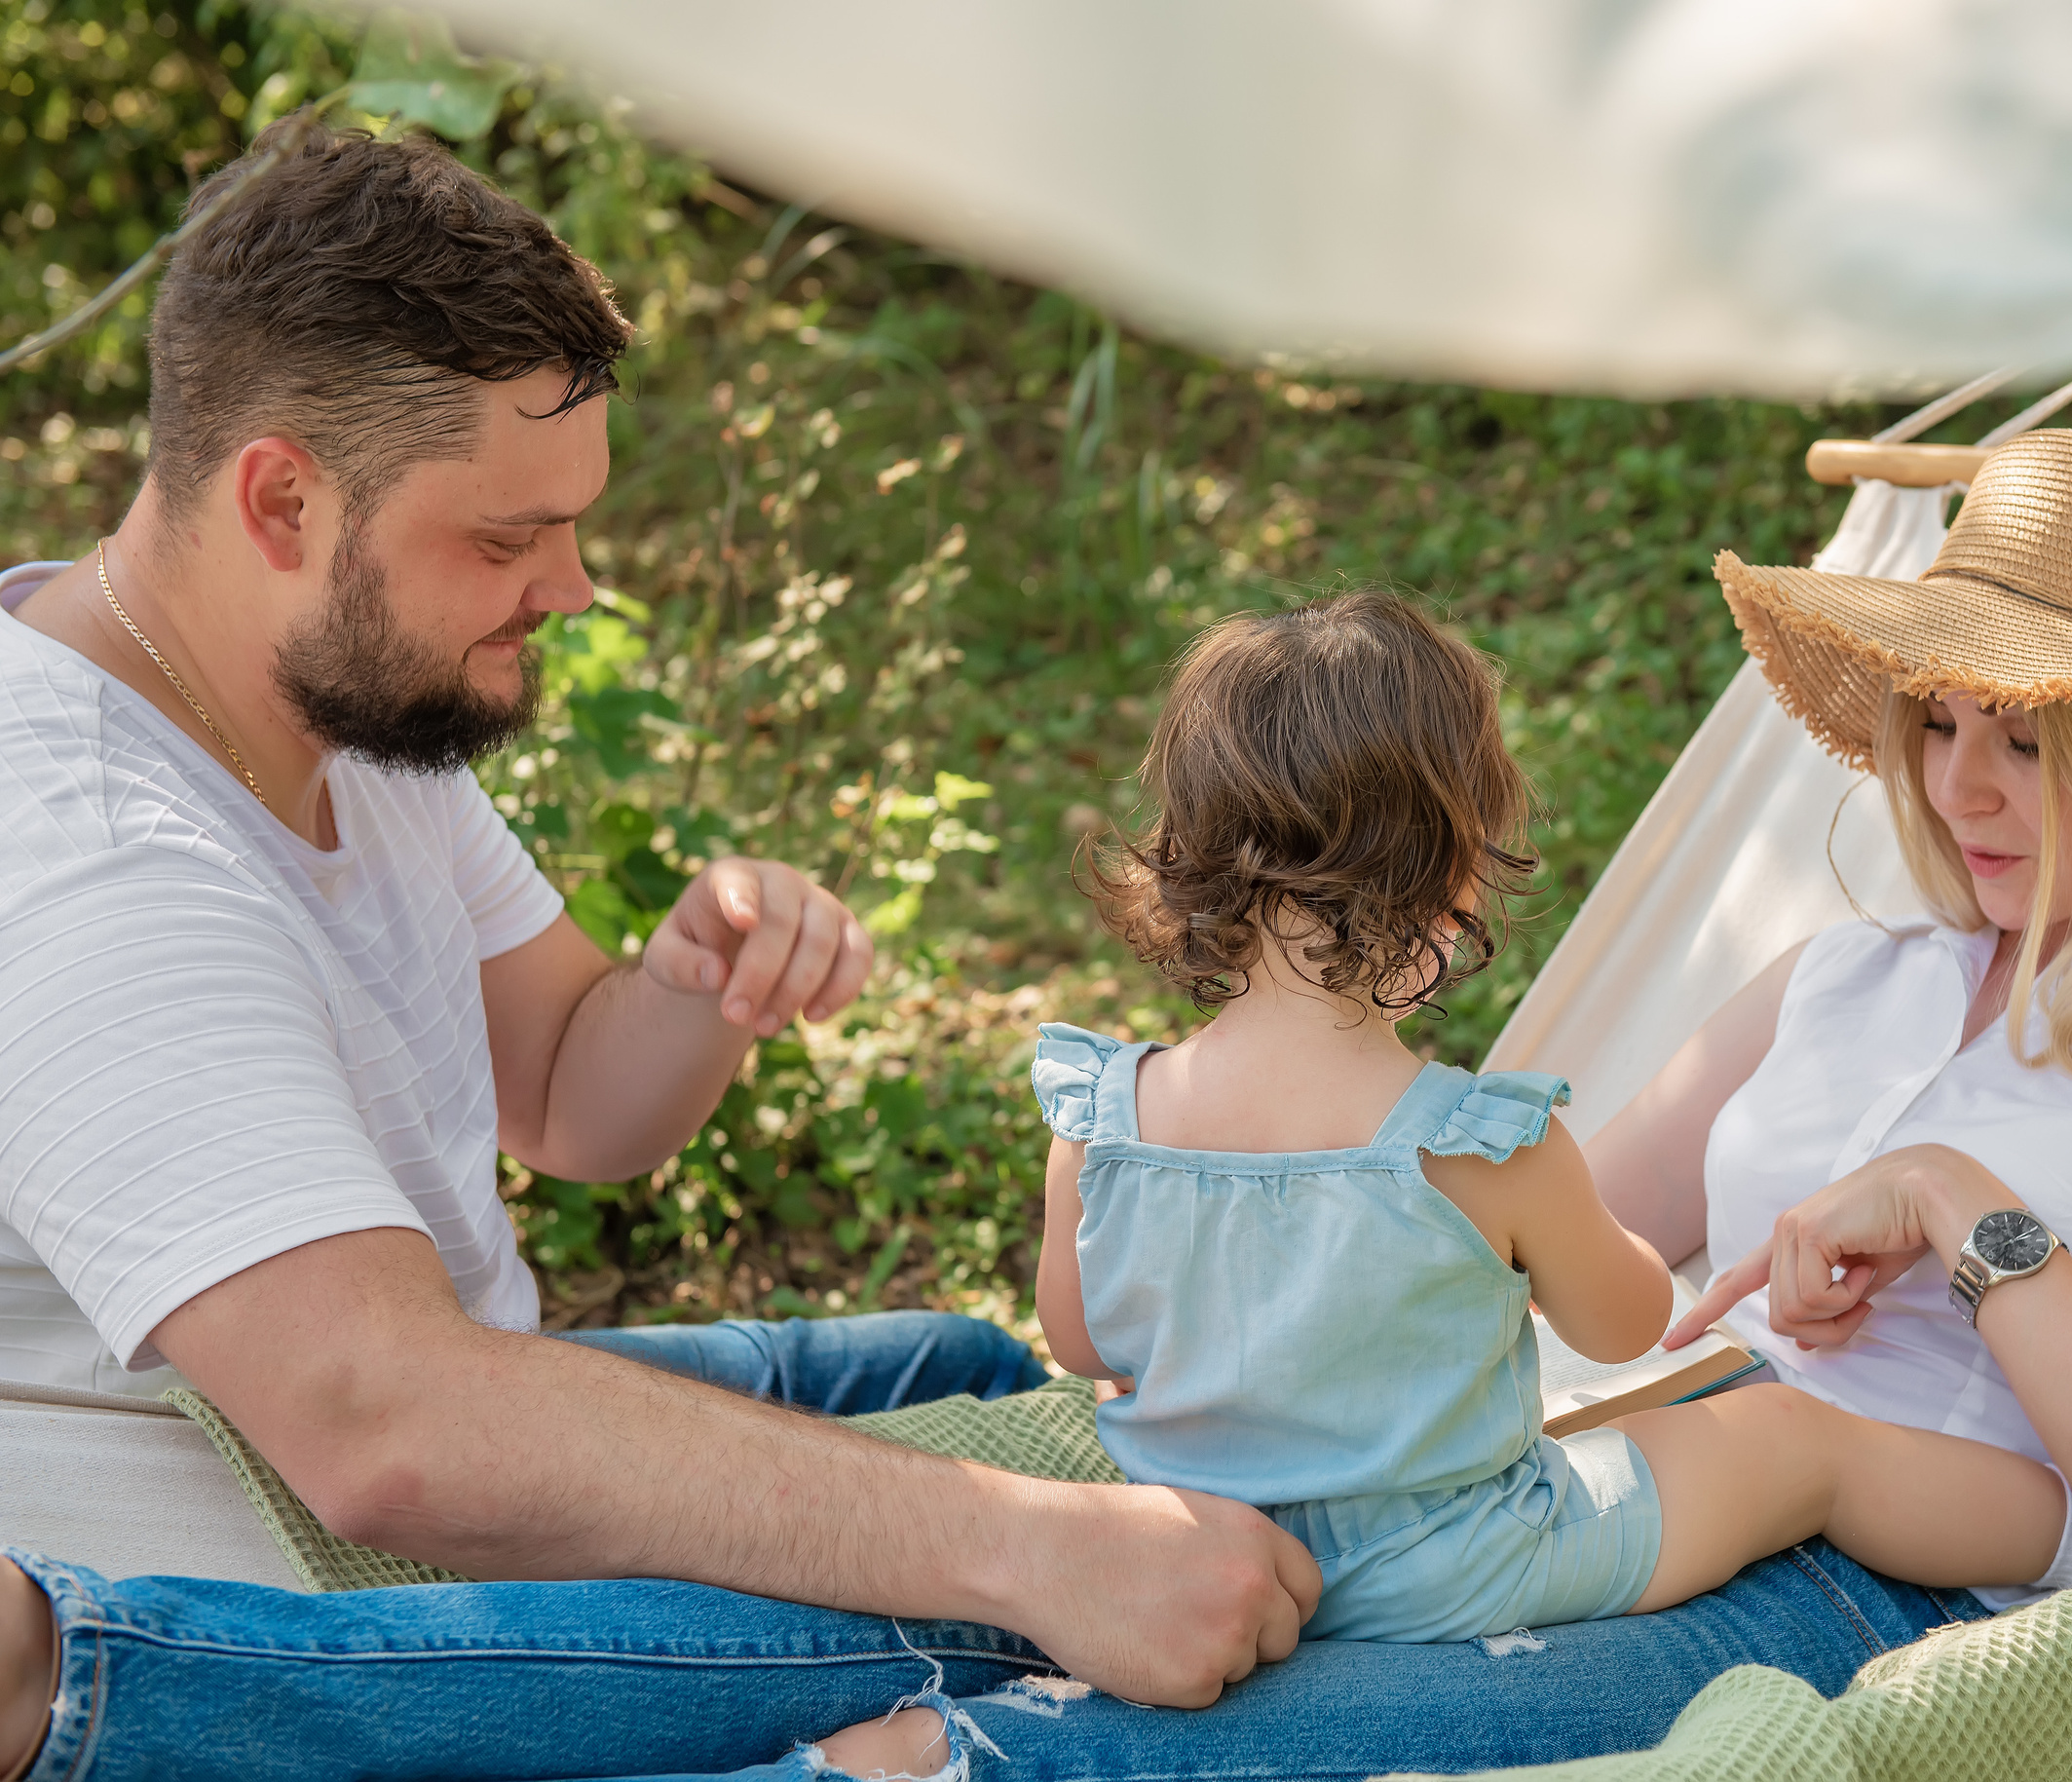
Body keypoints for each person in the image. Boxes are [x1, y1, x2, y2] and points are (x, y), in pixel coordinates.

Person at [813, 429, 2072, 1781]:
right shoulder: (1842, 976)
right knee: (925, 1590)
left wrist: (1960, 1206)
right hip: (1580, 1490)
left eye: (2024, 737)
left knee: (1113, 1732)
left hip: (1880, 1587)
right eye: (1936, 722)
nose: (1957, 786)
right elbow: (1550, 1219)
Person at [0, 120, 1318, 1782]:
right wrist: (1021, 1547)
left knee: (973, 1366)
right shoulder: (95, 857)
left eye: (573, 524)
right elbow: (383, 1427)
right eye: (505, 539)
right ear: (280, 496)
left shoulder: (320, 701)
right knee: (1078, 1601)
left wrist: (691, 984)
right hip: (298, 1591)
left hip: (460, 1409)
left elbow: (567, 1097)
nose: (572, 586)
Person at [1021, 590, 2063, 1646]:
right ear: (1454, 868)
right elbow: (1620, 1325)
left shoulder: (1098, 1115)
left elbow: (1079, 1333)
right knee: (1791, 1442)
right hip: (1457, 1564)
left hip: (1200, 1544)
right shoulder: (1479, 1145)